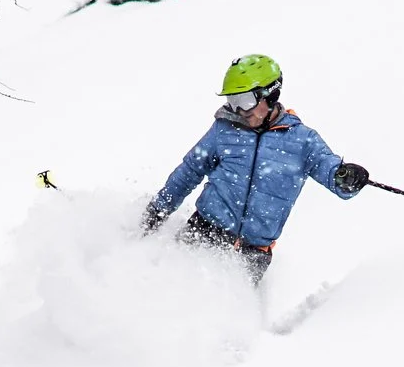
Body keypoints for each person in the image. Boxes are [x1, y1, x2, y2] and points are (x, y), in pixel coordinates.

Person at [142, 54, 369, 279]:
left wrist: (346, 178)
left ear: (270, 94)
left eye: (245, 101)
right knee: (169, 291)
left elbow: (333, 175)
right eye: (232, 101)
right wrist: (157, 211)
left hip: (251, 255)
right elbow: (189, 171)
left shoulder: (302, 141)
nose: (239, 110)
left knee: (223, 313)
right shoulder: (224, 130)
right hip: (204, 231)